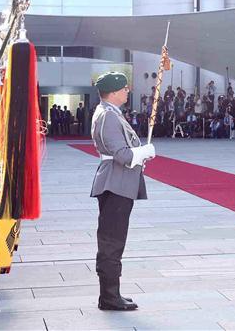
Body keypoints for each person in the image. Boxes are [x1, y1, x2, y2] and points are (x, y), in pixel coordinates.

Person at [90, 72, 156, 311]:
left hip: (118, 182)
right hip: (115, 183)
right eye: (125, 88)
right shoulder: (108, 116)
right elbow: (124, 155)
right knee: (111, 241)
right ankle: (108, 297)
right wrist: (145, 152)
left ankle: (111, 293)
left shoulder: (111, 114)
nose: (128, 91)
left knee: (114, 240)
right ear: (114, 92)